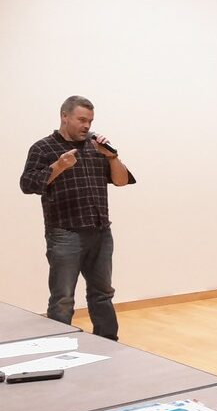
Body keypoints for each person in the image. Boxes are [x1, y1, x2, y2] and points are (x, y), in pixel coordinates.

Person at [20, 95, 135, 341]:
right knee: (63, 298)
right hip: (64, 234)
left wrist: (111, 156)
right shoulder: (43, 148)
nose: (87, 126)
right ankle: (58, 347)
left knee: (102, 293)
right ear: (64, 116)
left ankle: (108, 343)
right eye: (82, 120)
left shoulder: (97, 147)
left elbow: (121, 181)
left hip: (100, 231)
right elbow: (27, 184)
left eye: (90, 121)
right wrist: (59, 166)